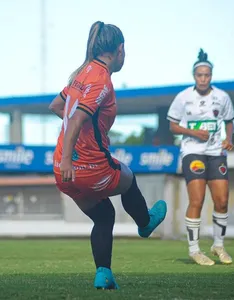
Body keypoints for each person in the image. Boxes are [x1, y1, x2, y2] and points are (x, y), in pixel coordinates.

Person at [49, 21, 167, 290]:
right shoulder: (100, 79)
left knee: (104, 216)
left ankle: (104, 275)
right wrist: (73, 151)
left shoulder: (82, 73)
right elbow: (77, 119)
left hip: (61, 172)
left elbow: (57, 106)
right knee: (127, 176)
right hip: (88, 168)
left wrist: (70, 152)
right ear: (120, 50)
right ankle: (145, 222)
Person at [167, 49, 234, 266]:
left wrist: (229, 138)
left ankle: (218, 245)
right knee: (197, 200)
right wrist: (193, 133)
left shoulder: (222, 97)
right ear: (194, 76)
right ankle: (194, 249)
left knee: (222, 201)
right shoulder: (183, 97)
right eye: (199, 75)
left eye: (207, 75)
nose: (203, 78)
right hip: (193, 152)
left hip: (216, 153)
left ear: (211, 76)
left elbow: (229, 121)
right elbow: (172, 126)